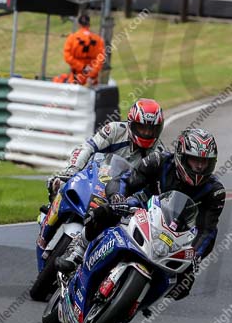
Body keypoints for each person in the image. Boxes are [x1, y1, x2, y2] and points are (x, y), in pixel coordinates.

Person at [76, 128, 226, 300]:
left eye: (204, 162)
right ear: (182, 156)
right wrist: (117, 197)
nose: (199, 166)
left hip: (177, 233)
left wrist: (195, 256)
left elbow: (207, 230)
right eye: (194, 160)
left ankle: (141, 297)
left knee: (182, 287)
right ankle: (79, 248)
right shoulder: (159, 160)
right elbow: (126, 180)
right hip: (143, 206)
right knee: (105, 212)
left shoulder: (215, 191)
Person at [52, 98, 165, 271]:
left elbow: (153, 187)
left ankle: (88, 256)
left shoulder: (158, 153)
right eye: (142, 127)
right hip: (95, 177)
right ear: (132, 123)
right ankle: (50, 215)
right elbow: (87, 147)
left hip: (121, 195)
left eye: (151, 129)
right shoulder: (115, 130)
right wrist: (73, 169)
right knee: (59, 183)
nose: (146, 133)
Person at [53, 13, 105, 86]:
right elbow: (100, 59)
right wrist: (92, 73)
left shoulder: (72, 38)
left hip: (76, 76)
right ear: (89, 24)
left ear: (79, 24)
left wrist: (82, 67)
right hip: (91, 79)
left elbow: (67, 57)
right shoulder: (98, 40)